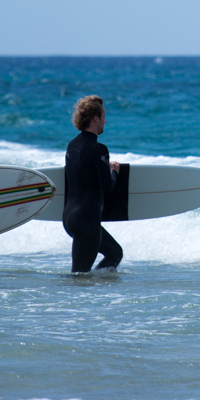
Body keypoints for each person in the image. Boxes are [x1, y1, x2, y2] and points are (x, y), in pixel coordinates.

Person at [63, 95, 125, 273]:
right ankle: (75, 298)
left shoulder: (72, 145)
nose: (105, 121)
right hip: (86, 220)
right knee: (79, 277)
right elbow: (107, 186)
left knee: (115, 252)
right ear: (95, 119)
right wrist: (114, 172)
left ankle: (98, 290)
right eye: (103, 117)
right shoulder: (99, 149)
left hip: (69, 217)